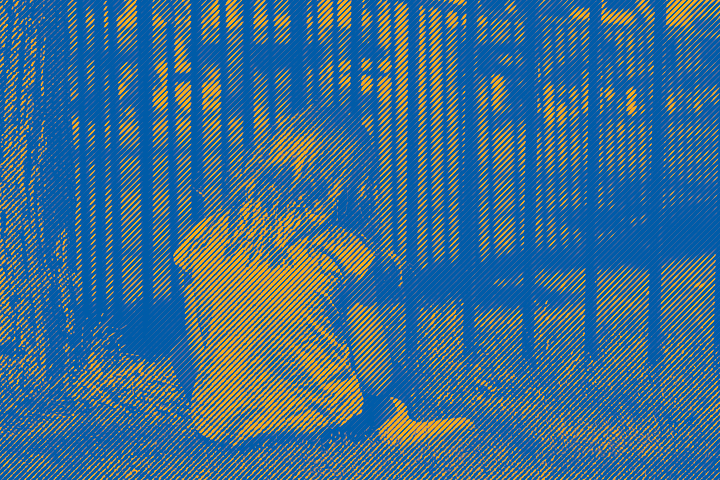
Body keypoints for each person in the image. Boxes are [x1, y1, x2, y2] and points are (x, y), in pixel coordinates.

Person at [173, 107, 476, 458]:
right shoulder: (344, 251)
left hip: (219, 424)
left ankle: (229, 406)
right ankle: (393, 422)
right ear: (351, 186)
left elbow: (195, 346)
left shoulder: (200, 240)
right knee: (369, 347)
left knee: (183, 344)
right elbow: (374, 369)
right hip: (321, 417)